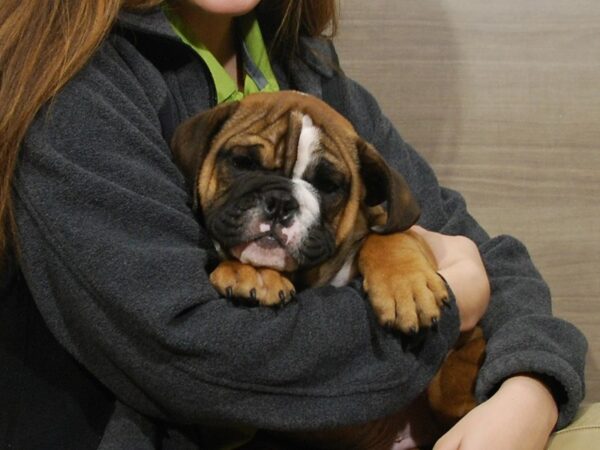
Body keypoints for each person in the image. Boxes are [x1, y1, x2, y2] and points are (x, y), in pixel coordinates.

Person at [0, 1, 587, 449]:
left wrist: (530, 387)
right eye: (243, 164)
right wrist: (456, 298)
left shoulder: (310, 74)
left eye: (324, 184)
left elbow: (483, 252)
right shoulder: (78, 88)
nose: (281, 202)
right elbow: (193, 359)